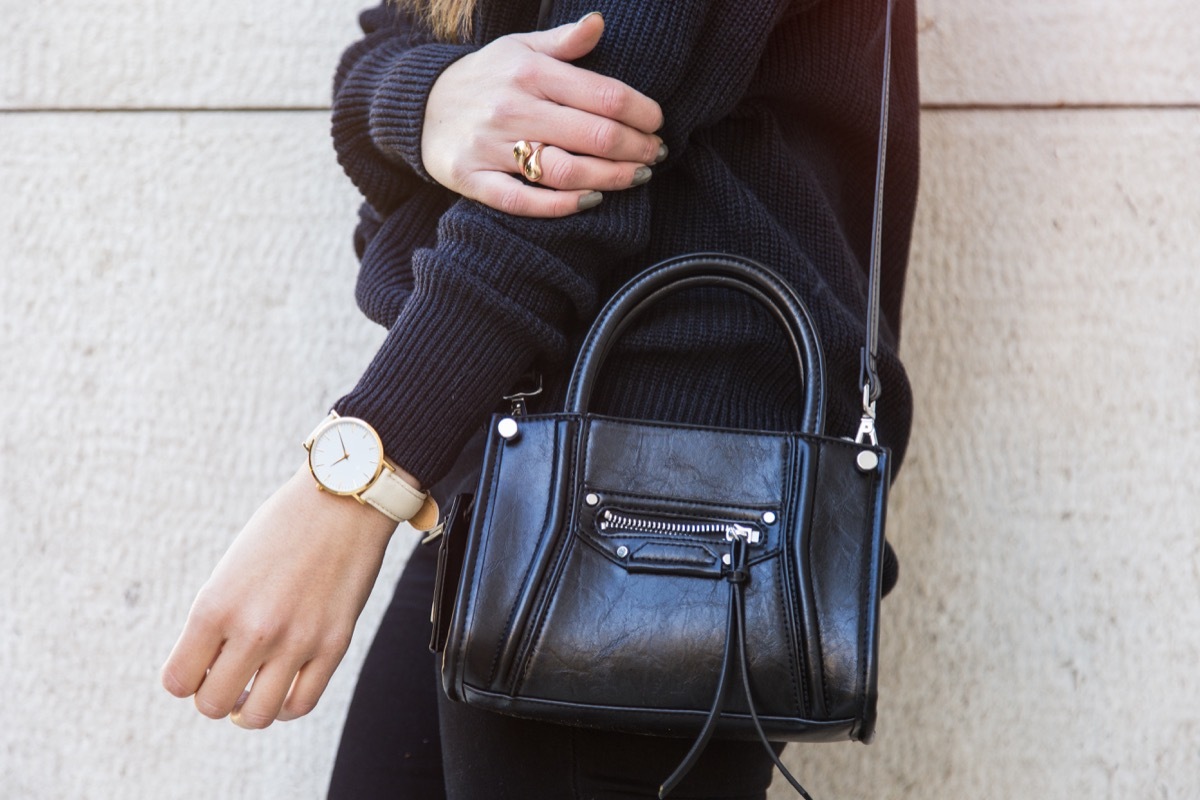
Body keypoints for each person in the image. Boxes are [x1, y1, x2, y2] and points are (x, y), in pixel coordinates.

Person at [162, 0, 920, 796]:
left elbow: (572, 169)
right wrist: (428, 98)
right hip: (512, 470)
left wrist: (358, 479)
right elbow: (385, 43)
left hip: (671, 518)